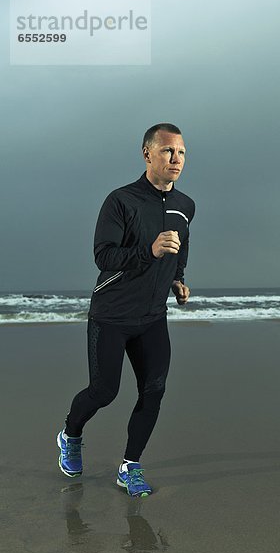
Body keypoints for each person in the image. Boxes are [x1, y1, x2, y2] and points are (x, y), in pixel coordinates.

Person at [57, 123, 195, 498]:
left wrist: (177, 280)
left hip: (152, 317)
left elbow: (180, 250)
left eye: (181, 152)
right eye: (168, 151)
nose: (176, 159)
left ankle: (129, 467)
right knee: (104, 391)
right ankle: (70, 433)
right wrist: (147, 251)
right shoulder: (121, 200)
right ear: (147, 153)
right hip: (112, 314)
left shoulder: (185, 206)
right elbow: (103, 256)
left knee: (154, 390)